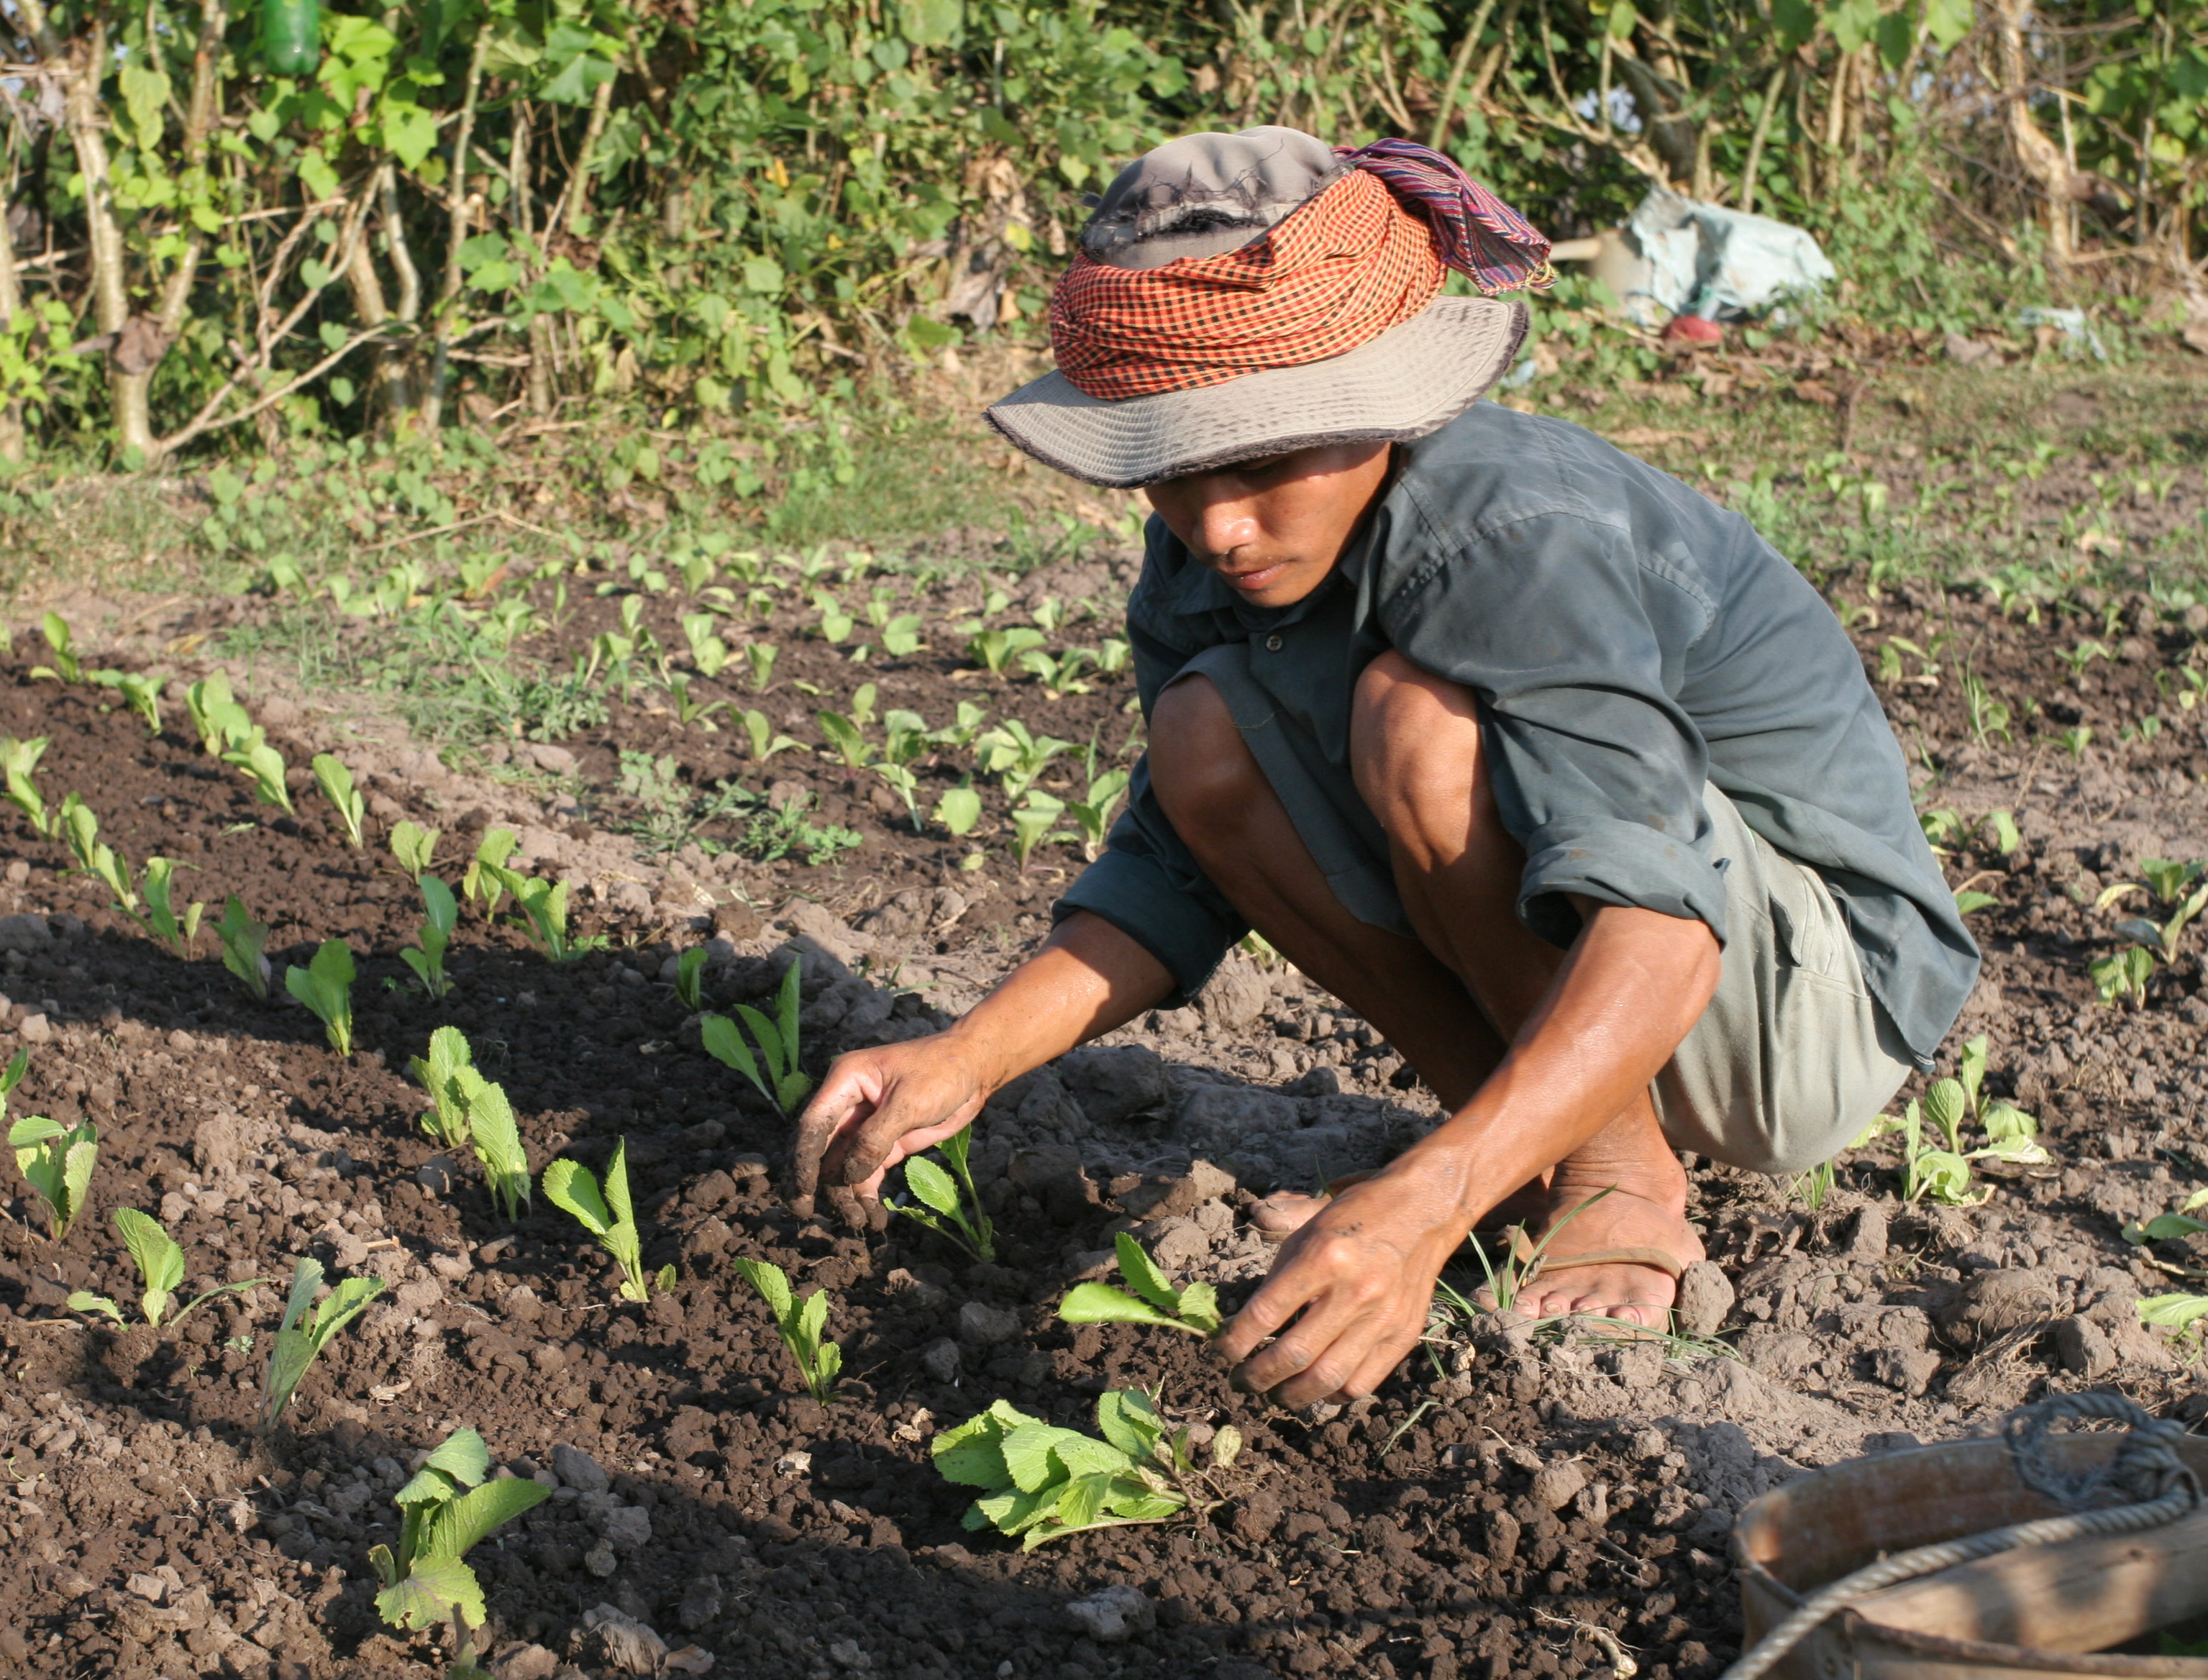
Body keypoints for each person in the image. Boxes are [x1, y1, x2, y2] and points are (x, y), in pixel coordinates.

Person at [790, 127, 1977, 1409]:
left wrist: (1421, 1202)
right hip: (1639, 984)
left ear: (1377, 404)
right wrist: (966, 1058)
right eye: (1173, 476)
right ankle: (1519, 1156)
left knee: (1421, 723)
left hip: (1807, 999)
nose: (1221, 526)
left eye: (1259, 461)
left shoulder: (1508, 530)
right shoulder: (1202, 558)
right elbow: (1176, 869)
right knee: (1203, 736)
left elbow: (1664, 927)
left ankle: (1617, 1182)